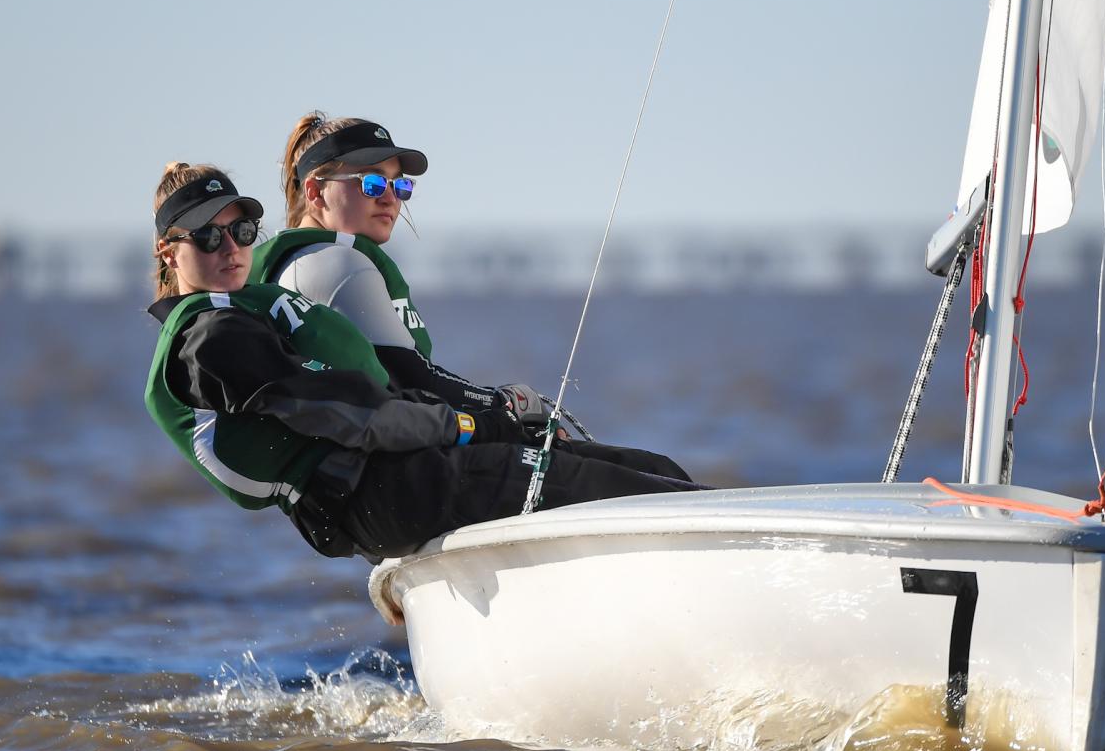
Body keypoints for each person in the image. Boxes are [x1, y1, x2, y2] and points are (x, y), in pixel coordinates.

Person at [146, 163, 703, 561]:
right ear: (170, 252)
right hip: (386, 492)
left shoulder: (242, 310)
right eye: (207, 236)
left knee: (649, 468)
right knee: (636, 491)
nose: (230, 247)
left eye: (241, 231)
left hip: (401, 476)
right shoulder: (208, 339)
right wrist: (472, 422)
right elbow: (353, 414)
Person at [252, 111, 692, 481]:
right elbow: (412, 378)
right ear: (314, 191)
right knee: (654, 471)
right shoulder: (336, 263)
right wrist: (507, 405)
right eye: (371, 184)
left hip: (384, 471)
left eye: (399, 186)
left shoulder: (291, 265)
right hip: (410, 477)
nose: (390, 198)